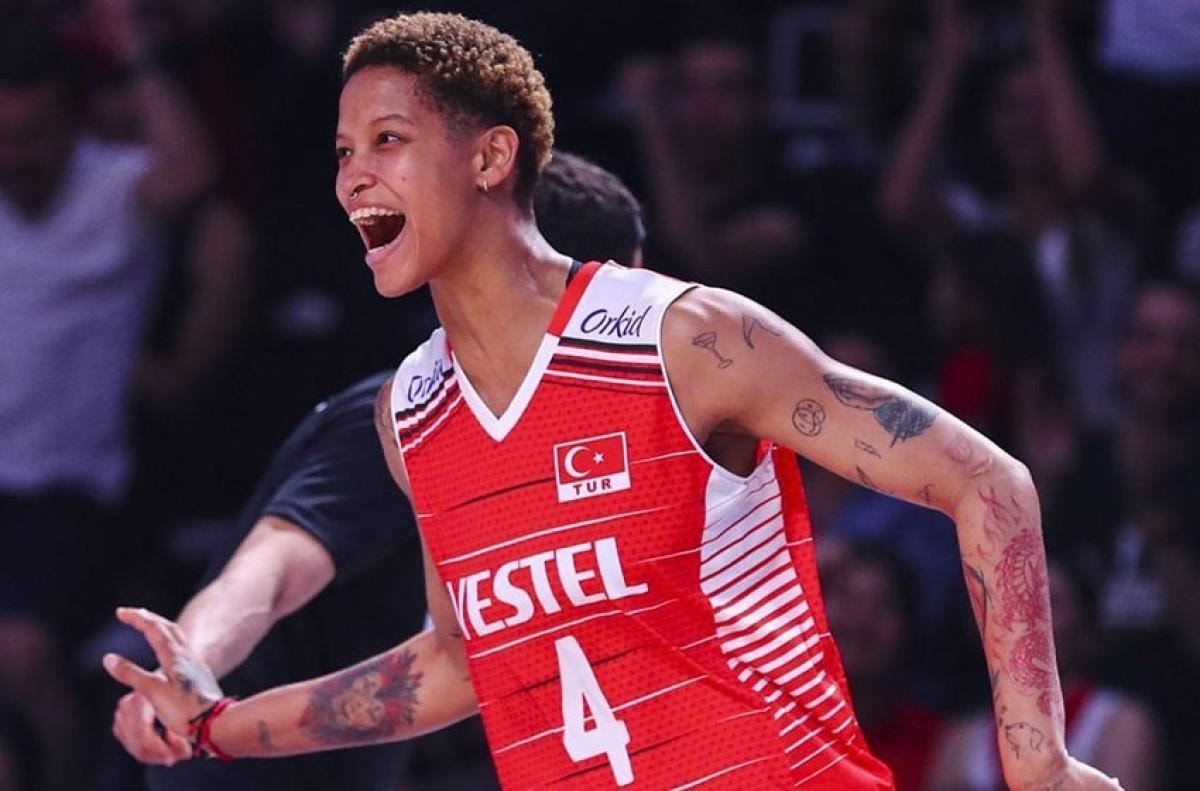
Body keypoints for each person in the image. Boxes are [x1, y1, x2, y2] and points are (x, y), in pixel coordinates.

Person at [104, 12, 1119, 790]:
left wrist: (1036, 761)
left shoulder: (685, 337)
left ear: (491, 157)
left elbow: (988, 480)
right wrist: (216, 724)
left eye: (387, 140)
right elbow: (457, 663)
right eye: (342, 151)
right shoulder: (410, 410)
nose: (353, 179)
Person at [108, 148, 646, 791]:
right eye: (621, 295)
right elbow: (270, 572)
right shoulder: (402, 421)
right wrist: (190, 663)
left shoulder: (550, 432)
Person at [0, 6, 211, 788]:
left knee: (20, 657)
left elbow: (192, 172)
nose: (15, 154)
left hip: (72, 486)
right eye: (2, 137)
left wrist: (138, 52)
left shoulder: (115, 190)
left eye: (32, 134)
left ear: (71, 123)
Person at [927, 556, 1159, 791]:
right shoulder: (963, 737)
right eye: (1017, 603)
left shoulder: (1120, 722)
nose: (1028, 619)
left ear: (1087, 626)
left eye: (1049, 603)